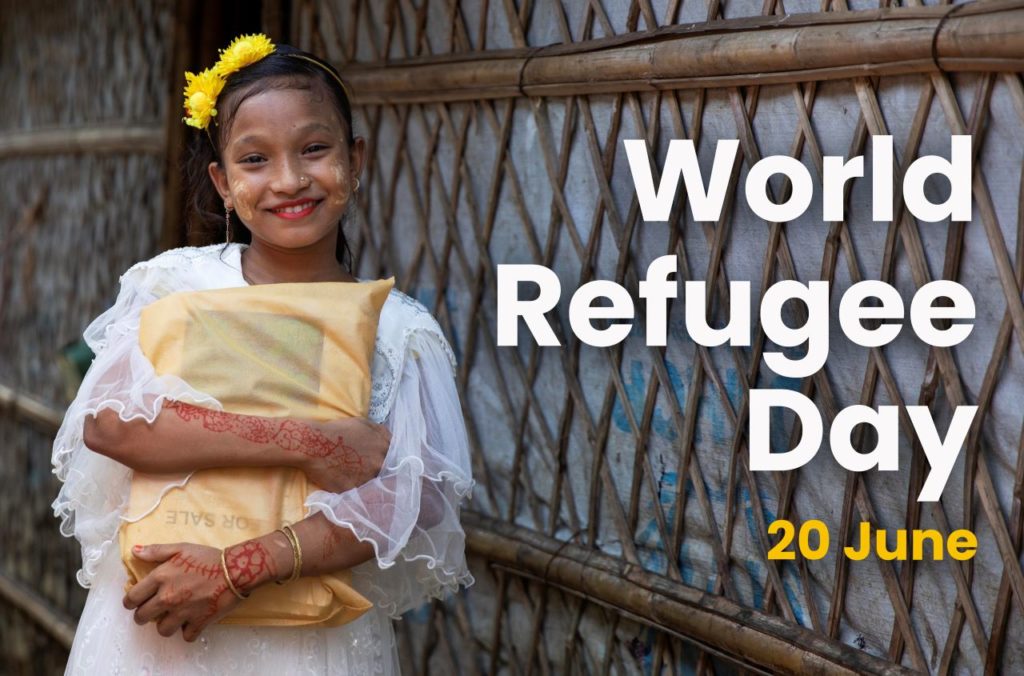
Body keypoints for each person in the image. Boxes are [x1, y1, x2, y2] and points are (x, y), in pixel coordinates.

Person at [51, 34, 474, 674]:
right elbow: (112, 423)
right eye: (255, 159)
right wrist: (309, 442)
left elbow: (418, 496)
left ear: (355, 159)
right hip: (155, 624)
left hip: (306, 644)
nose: (289, 179)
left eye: (314, 149)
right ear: (223, 182)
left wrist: (235, 569)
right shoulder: (174, 286)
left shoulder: (399, 330)